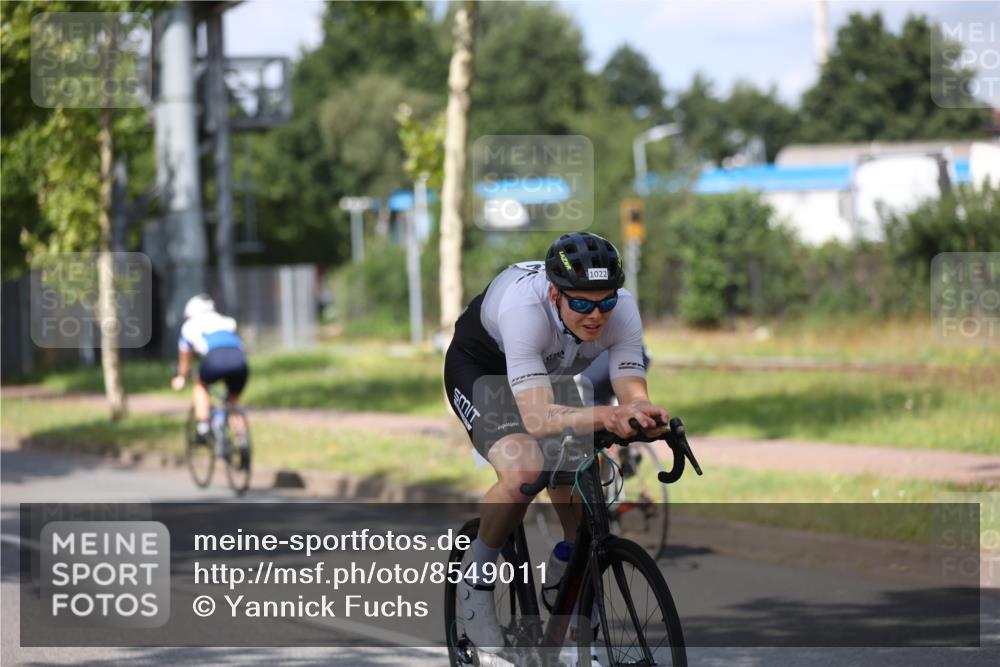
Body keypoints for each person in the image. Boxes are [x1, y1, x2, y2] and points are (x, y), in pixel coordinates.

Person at [443, 231, 669, 651]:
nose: (596, 315)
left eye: (605, 301)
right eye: (581, 303)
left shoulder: (622, 310)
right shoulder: (524, 310)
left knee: (579, 478)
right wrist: (607, 414)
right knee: (525, 469)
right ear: (555, 294)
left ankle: (568, 580)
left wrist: (642, 414)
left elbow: (631, 389)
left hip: (546, 379)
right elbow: (537, 416)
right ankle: (475, 582)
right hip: (481, 370)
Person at [170, 294, 249, 451]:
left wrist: (181, 377)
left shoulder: (189, 326)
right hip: (239, 360)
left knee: (200, 384)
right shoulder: (226, 321)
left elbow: (185, 359)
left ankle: (203, 428)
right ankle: (242, 441)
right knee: (233, 401)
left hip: (214, 359)